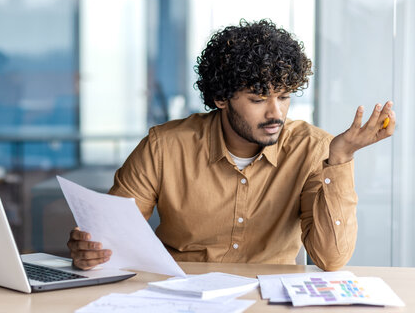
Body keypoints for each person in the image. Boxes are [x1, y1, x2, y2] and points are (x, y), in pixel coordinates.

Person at [67, 19, 396, 271]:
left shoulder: (314, 150)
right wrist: (91, 250)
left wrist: (339, 158)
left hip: (268, 301)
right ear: (220, 98)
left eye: (284, 97)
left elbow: (331, 259)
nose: (275, 113)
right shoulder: (164, 147)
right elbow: (112, 238)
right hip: (180, 297)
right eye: (257, 99)